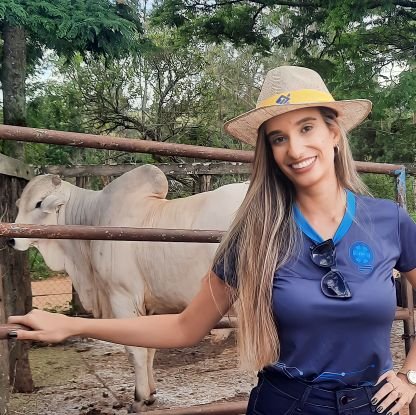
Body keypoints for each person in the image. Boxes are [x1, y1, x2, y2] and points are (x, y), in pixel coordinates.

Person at [8, 66, 416, 415]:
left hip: (375, 403)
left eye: (306, 127)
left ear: (333, 132)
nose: (295, 148)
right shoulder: (256, 234)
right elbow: (186, 327)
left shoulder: (389, 220)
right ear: (269, 151)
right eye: (278, 138)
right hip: (288, 401)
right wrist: (71, 325)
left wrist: (410, 375)